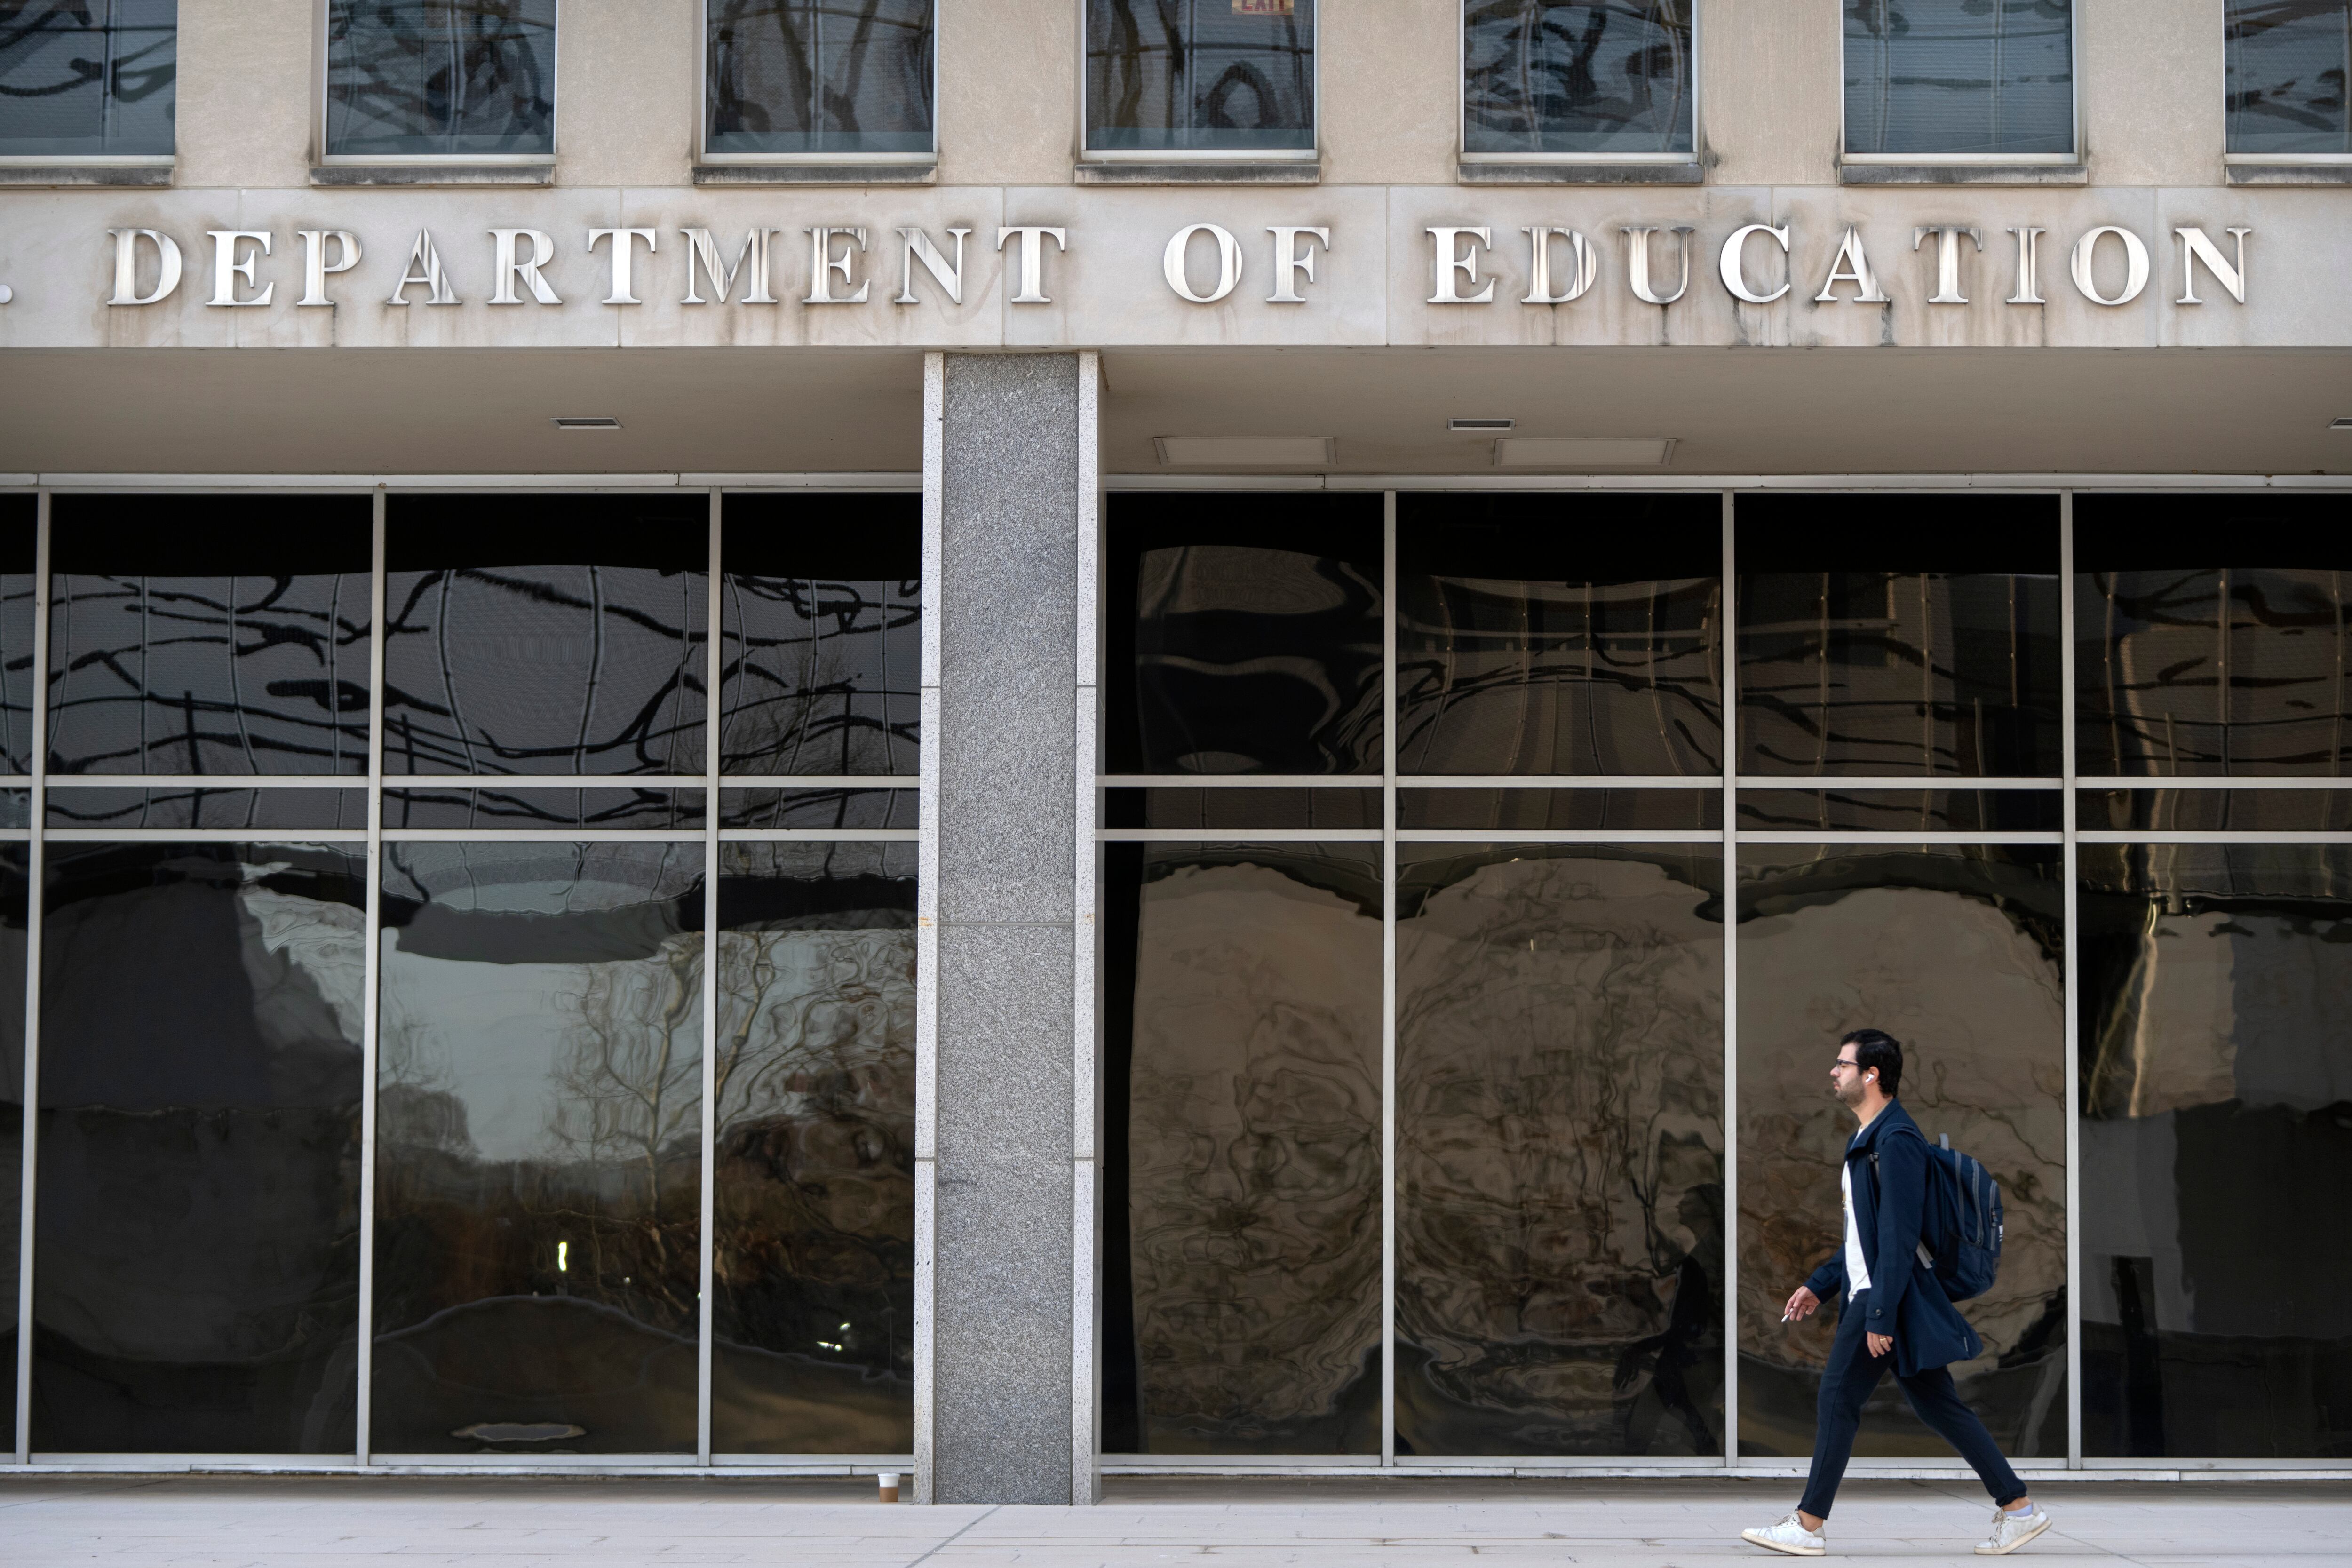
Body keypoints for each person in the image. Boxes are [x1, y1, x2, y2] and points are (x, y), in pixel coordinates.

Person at [1740, 1029, 2052, 1559]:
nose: (1832, 1072)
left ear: (1871, 1074)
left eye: (1841, 1064)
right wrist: (1819, 1284)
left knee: (1837, 1400)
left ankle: (1807, 1525)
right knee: (1939, 1408)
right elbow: (1865, 1237)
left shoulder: (1896, 1141)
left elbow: (1899, 1236)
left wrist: (1879, 1314)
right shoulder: (1870, 1139)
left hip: (1883, 1299)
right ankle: (2017, 1509)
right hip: (1879, 1293)